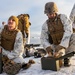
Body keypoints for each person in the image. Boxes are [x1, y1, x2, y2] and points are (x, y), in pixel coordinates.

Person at [40, 2, 75, 67]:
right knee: (54, 57)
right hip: (55, 46)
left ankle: (67, 58)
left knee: (74, 37)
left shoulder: (63, 18)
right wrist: (48, 48)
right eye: (48, 14)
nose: (50, 15)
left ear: (55, 11)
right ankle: (54, 55)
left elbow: (68, 31)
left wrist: (62, 45)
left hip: (66, 43)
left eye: (51, 13)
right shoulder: (45, 25)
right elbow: (43, 38)